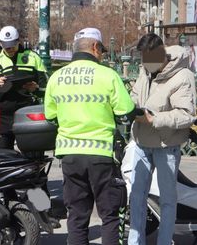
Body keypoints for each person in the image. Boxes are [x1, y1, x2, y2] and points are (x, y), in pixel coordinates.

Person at [44, 27, 137, 245]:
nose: (102, 55)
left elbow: (50, 115)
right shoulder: (108, 75)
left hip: (69, 155)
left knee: (77, 216)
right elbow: (126, 110)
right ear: (95, 47)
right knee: (110, 216)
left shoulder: (57, 77)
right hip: (101, 155)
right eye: (102, 51)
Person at [128, 33, 196, 245]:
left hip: (166, 145)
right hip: (141, 143)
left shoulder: (182, 76)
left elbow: (187, 114)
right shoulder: (144, 70)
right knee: (137, 198)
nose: (144, 63)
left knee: (167, 200)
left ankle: (164, 241)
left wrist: (153, 118)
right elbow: (135, 96)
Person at [0, 25, 47, 149]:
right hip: (4, 115)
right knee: (3, 156)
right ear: (0, 43)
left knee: (32, 155)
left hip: (28, 111)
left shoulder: (33, 57)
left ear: (18, 41)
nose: (9, 48)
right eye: (6, 45)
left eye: (12, 45)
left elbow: (47, 87)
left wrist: (35, 89)